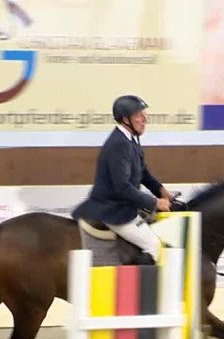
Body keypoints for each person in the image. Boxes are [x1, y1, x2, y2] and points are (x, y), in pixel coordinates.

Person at [71, 95, 173, 265]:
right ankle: (139, 290)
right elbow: (122, 187)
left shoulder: (130, 140)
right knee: (154, 246)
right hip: (113, 210)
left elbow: (143, 172)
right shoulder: (119, 144)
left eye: (144, 114)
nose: (145, 119)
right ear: (126, 119)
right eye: (139, 115)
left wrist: (161, 190)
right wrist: (155, 203)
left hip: (124, 206)